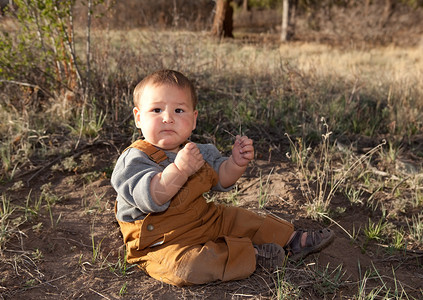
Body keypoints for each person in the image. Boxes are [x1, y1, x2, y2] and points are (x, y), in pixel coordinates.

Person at [111, 69, 334, 287]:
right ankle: (252, 255)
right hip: (161, 243)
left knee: (239, 218)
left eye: (179, 110)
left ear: (194, 119)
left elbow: (222, 179)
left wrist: (235, 163)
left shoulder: (199, 151)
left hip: (204, 220)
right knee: (187, 268)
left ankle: (291, 239)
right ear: (138, 117)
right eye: (157, 110)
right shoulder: (134, 159)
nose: (168, 118)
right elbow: (152, 197)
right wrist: (179, 170)